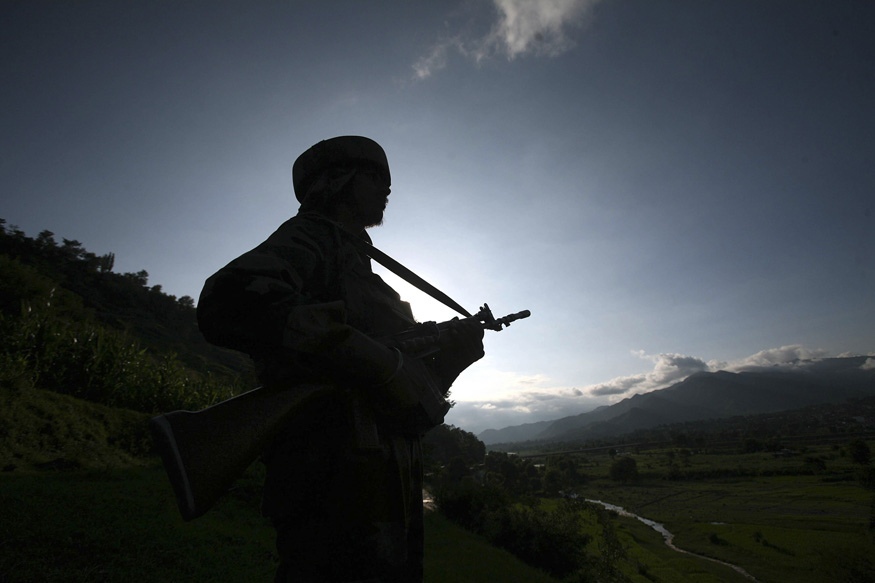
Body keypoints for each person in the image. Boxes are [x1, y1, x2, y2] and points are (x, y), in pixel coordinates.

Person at [196, 136, 485, 583]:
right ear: (335, 180)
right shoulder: (311, 238)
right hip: (330, 474)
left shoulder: (361, 266)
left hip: (385, 479)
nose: (387, 188)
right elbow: (228, 300)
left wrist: (450, 362)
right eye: (374, 175)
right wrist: (377, 359)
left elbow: (399, 399)